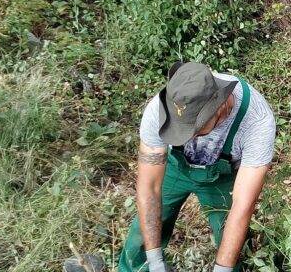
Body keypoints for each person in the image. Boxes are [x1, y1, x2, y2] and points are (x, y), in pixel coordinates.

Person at [118, 62, 276, 272]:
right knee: (139, 240)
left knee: (234, 245)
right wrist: (155, 262)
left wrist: (222, 269)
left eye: (193, 129)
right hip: (174, 168)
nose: (186, 136)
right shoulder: (160, 108)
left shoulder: (257, 121)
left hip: (222, 179)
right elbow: (150, 188)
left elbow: (242, 205)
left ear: (219, 108)